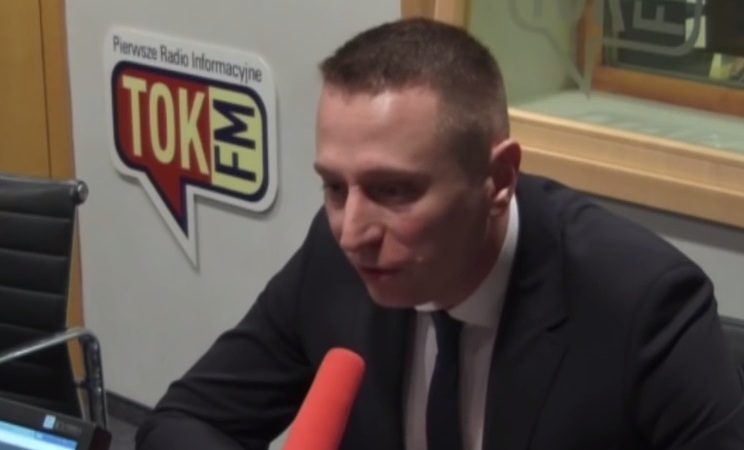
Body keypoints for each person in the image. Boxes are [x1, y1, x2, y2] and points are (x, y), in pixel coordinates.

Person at [135, 17, 744, 450]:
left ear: (497, 179)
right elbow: (182, 422)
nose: (353, 231)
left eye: (394, 190)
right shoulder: (335, 257)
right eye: (335, 187)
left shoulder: (641, 303)